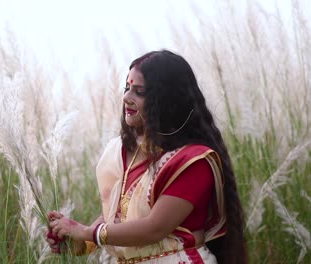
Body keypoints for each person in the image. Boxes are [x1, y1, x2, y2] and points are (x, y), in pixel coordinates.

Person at [46, 50, 247, 264]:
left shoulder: (193, 161)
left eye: (139, 91)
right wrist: (78, 241)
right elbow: (120, 218)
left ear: (167, 100)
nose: (126, 98)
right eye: (127, 88)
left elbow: (154, 228)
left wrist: (87, 232)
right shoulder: (123, 152)